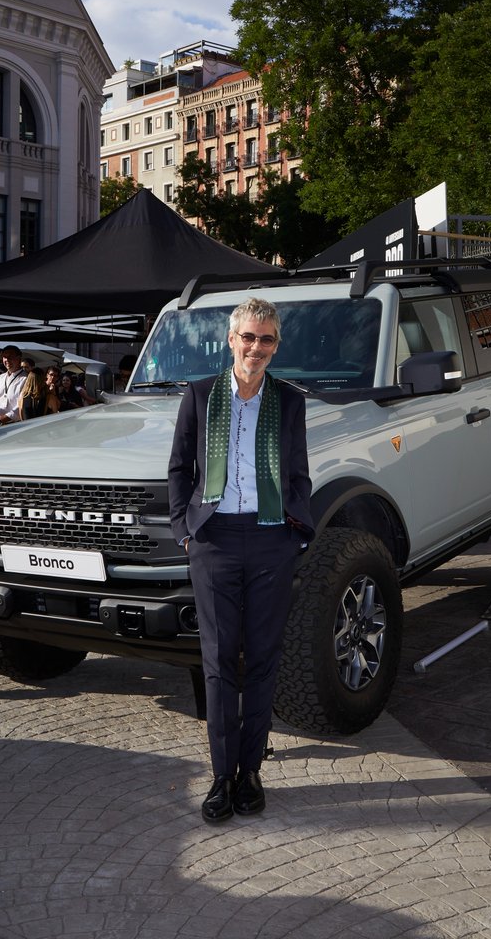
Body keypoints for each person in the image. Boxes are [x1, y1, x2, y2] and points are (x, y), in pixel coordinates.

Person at [168, 297, 314, 824]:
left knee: (264, 658)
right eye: (248, 337)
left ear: (276, 345)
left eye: (266, 338)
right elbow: (179, 468)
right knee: (219, 660)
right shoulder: (200, 395)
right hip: (215, 540)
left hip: (272, 539)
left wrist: (296, 532)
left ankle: (250, 772)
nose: (256, 347)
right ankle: (221, 776)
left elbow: (298, 474)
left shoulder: (289, 401)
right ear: (231, 340)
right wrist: (185, 531)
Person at [0, 345, 26, 426]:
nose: (7, 360)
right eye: (4, 357)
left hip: (16, 425)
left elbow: (21, 407)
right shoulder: (1, 377)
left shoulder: (26, 379)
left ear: (19, 358)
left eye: (10, 357)